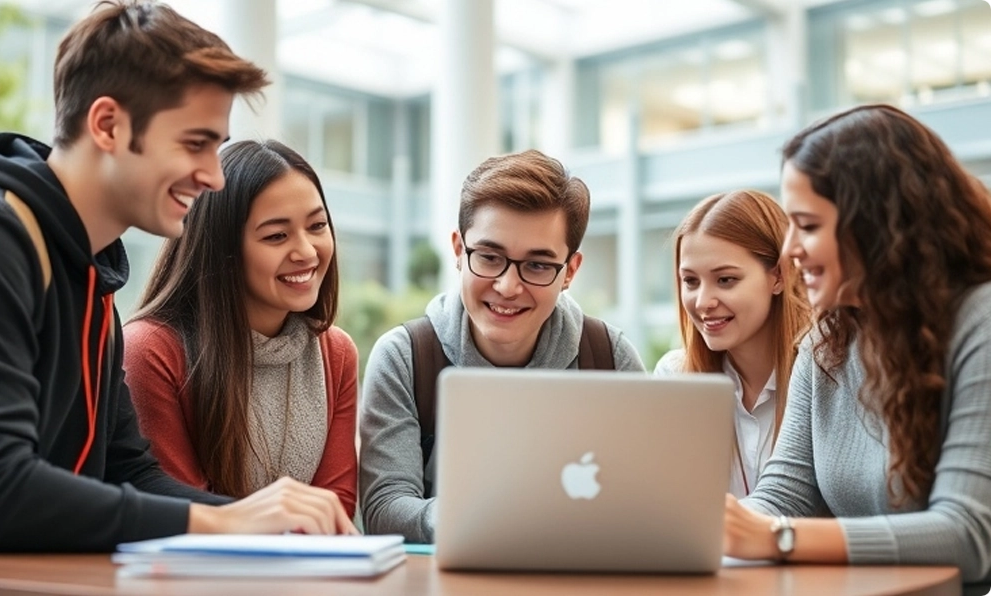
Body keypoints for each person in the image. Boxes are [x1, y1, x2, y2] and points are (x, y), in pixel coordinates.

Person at [0, 1, 353, 553]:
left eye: (217, 148)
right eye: (195, 143)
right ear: (108, 125)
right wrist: (224, 524)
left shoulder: (90, 269)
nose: (214, 177)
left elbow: (129, 473)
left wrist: (276, 522)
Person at [723, 104, 991, 583]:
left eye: (806, 225)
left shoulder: (980, 322)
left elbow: (967, 534)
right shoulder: (827, 339)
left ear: (877, 225)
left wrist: (779, 537)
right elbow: (785, 495)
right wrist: (718, 526)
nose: (788, 250)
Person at [359, 149, 646, 543]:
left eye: (538, 265)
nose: (508, 287)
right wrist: (507, 516)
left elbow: (647, 504)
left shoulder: (609, 357)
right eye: (490, 257)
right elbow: (385, 511)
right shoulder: (406, 357)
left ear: (570, 272)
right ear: (459, 251)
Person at [123, 140, 357, 519]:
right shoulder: (151, 350)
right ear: (222, 249)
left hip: (307, 574)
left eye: (317, 226)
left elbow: (335, 511)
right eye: (276, 236)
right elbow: (181, 515)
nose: (308, 252)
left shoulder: (336, 353)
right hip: (196, 574)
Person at [654, 190, 810, 497]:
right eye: (690, 281)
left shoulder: (824, 378)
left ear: (778, 276)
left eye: (725, 280)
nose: (702, 302)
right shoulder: (675, 377)